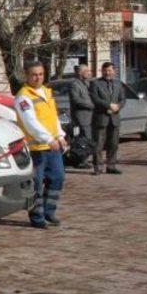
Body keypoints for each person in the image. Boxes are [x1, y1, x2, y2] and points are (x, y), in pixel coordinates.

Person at [14, 60, 68, 229]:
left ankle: (49, 211)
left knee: (58, 177)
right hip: (36, 148)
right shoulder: (23, 96)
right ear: (27, 76)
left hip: (52, 146)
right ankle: (37, 217)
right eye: (34, 75)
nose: (38, 78)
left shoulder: (46, 92)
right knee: (36, 184)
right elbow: (30, 123)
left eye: (41, 74)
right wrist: (48, 139)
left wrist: (60, 135)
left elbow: (53, 117)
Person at [89, 62, 126, 175]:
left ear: (114, 71)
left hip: (114, 118)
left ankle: (111, 165)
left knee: (113, 144)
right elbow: (95, 98)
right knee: (98, 144)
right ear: (102, 71)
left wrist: (118, 106)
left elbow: (123, 99)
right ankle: (98, 167)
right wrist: (108, 105)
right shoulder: (95, 83)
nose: (107, 73)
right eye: (105, 71)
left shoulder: (118, 83)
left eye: (109, 70)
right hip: (101, 118)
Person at [66, 63, 94, 168]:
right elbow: (76, 100)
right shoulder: (75, 85)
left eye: (89, 71)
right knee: (84, 139)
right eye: (86, 71)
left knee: (87, 139)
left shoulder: (87, 83)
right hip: (81, 116)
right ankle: (80, 161)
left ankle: (83, 159)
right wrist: (91, 105)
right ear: (80, 73)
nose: (89, 73)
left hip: (90, 116)